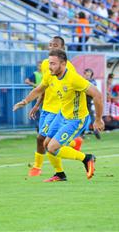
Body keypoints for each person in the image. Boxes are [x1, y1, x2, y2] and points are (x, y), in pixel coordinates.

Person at [14, 49, 104, 182]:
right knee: (46, 143)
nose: (50, 66)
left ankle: (87, 158)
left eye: (53, 64)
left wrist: (98, 119)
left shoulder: (74, 79)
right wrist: (25, 101)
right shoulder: (50, 75)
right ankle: (60, 174)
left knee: (52, 147)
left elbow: (97, 95)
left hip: (76, 119)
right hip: (62, 115)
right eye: (49, 63)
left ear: (63, 64)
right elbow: (39, 89)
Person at [25, 36, 83, 178]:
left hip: (58, 109)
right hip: (46, 107)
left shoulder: (68, 67)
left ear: (62, 48)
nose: (51, 47)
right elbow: (45, 86)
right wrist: (37, 105)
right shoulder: (46, 63)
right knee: (44, 140)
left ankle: (39, 168)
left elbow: (72, 88)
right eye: (50, 44)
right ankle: (72, 143)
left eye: (55, 45)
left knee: (42, 139)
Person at [83, 68, 101, 139]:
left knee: (92, 117)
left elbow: (91, 90)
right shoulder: (82, 80)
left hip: (88, 101)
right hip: (82, 101)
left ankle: (96, 131)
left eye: (89, 74)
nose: (88, 75)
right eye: (86, 73)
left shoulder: (92, 81)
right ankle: (83, 132)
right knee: (84, 118)